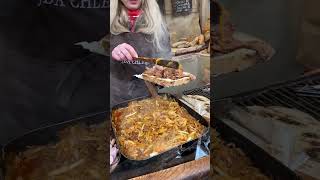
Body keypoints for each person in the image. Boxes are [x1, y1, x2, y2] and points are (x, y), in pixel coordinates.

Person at [110, 0, 172, 107]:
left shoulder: (156, 21)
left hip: (148, 96)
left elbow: (166, 59)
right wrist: (111, 51)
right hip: (116, 97)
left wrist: (163, 72)